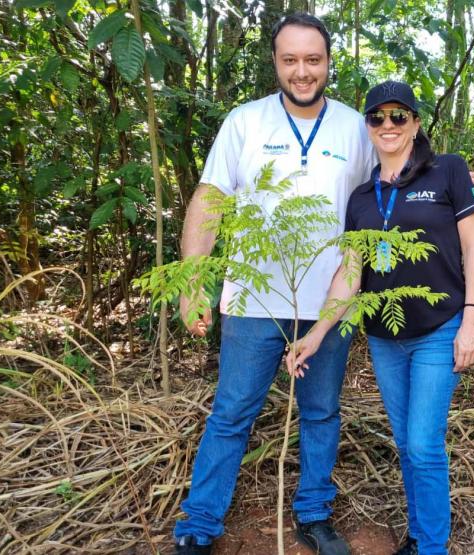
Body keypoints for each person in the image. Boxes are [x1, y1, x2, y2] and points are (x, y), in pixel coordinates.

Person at [172, 13, 375, 555]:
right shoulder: (245, 122)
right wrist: (194, 283)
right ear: (276, 63)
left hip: (329, 303)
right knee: (233, 411)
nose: (302, 71)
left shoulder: (356, 127)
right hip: (252, 298)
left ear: (329, 62)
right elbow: (210, 201)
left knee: (321, 411)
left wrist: (456, 180)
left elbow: (396, 183)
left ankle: (313, 513)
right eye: (291, 60)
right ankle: (200, 523)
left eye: (313, 60)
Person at [286, 81, 474, 555]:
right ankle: (420, 537)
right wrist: (316, 334)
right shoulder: (361, 198)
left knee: (422, 444)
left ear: (416, 124)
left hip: (440, 329)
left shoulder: (450, 172)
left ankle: (432, 546)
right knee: (407, 443)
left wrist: (472, 320)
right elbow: (351, 272)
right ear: (368, 127)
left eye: (399, 116)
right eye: (377, 117)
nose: (388, 125)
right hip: (384, 337)